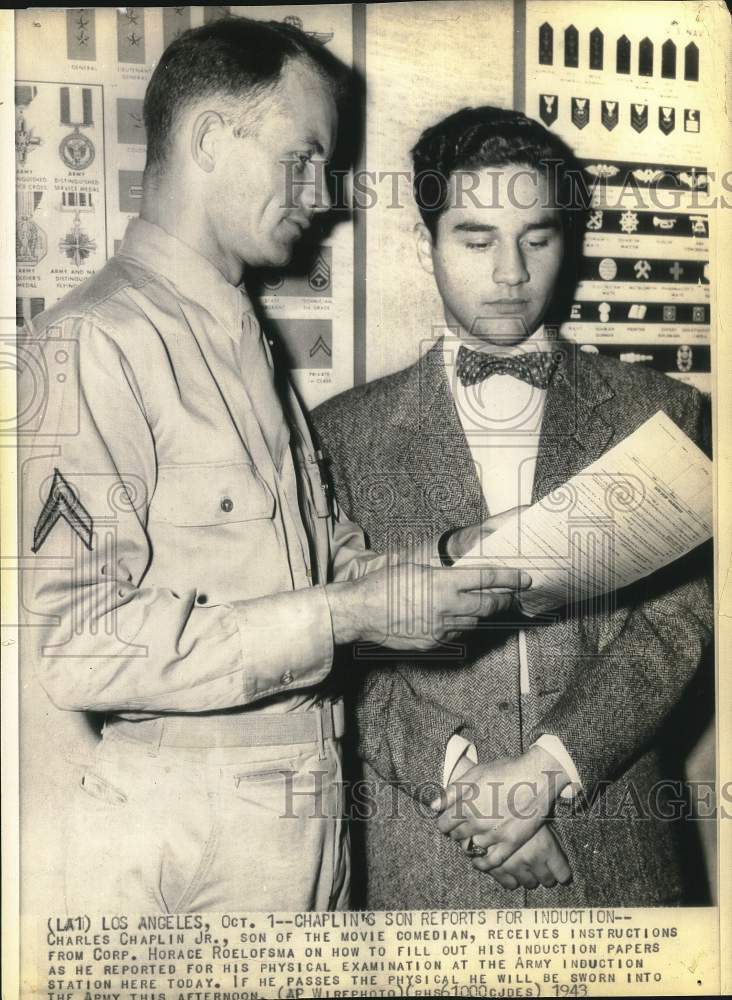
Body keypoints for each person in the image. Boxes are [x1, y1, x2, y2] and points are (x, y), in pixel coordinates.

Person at [19, 28, 526, 914]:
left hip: (305, 805)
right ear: (210, 139)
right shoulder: (92, 340)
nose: (323, 194)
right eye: (303, 157)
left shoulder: (239, 331)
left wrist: (433, 571)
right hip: (190, 828)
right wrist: (346, 612)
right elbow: (80, 644)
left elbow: (317, 561)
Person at [312, 106, 713, 908]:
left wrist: (547, 771)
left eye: (537, 237)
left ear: (568, 243)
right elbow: (342, 649)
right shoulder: (338, 435)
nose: (510, 273)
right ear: (424, 245)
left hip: (614, 850)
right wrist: (462, 777)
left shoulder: (662, 411)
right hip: (429, 857)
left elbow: (677, 625)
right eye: (475, 237)